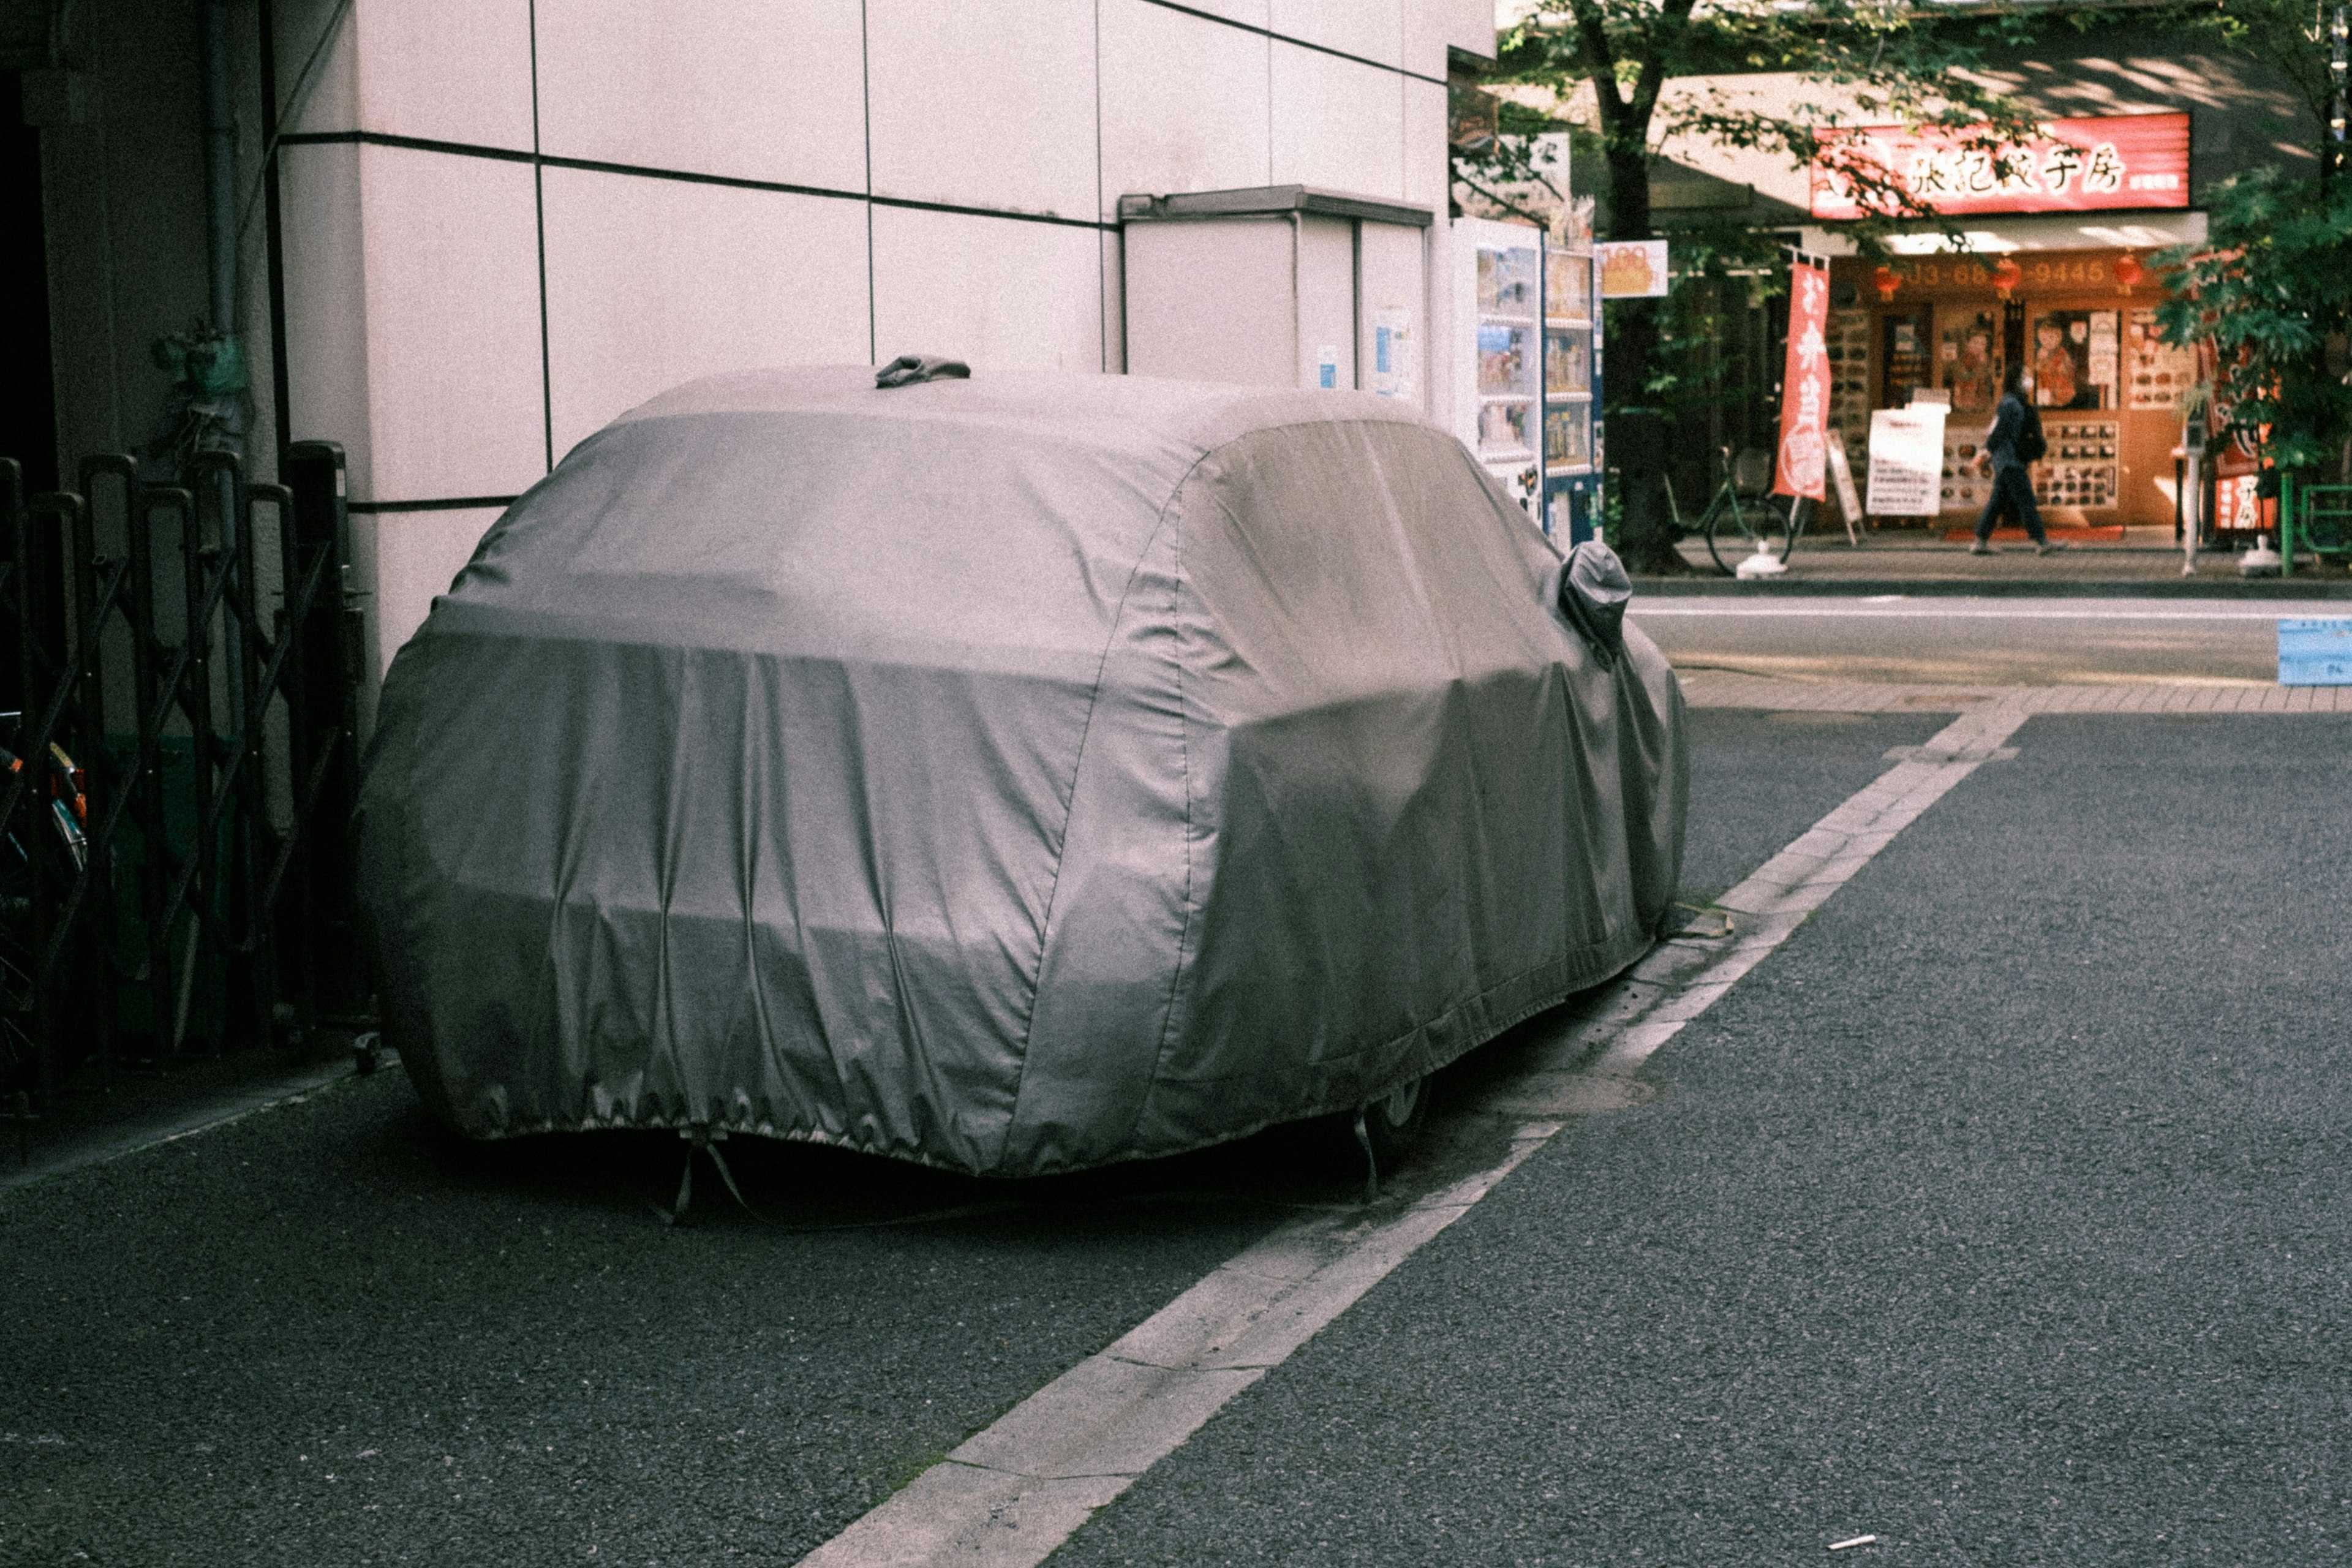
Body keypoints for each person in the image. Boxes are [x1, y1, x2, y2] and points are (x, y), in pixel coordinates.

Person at [1973, 363, 2066, 556]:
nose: (2028, 378)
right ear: (2016, 380)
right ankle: (2042, 542)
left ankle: (1980, 543)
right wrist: (1985, 452)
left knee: (1998, 501)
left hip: (2007, 459)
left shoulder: (2015, 401)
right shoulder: (2010, 403)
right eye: (2025, 375)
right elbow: (1999, 431)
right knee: (2026, 500)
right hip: (2009, 460)